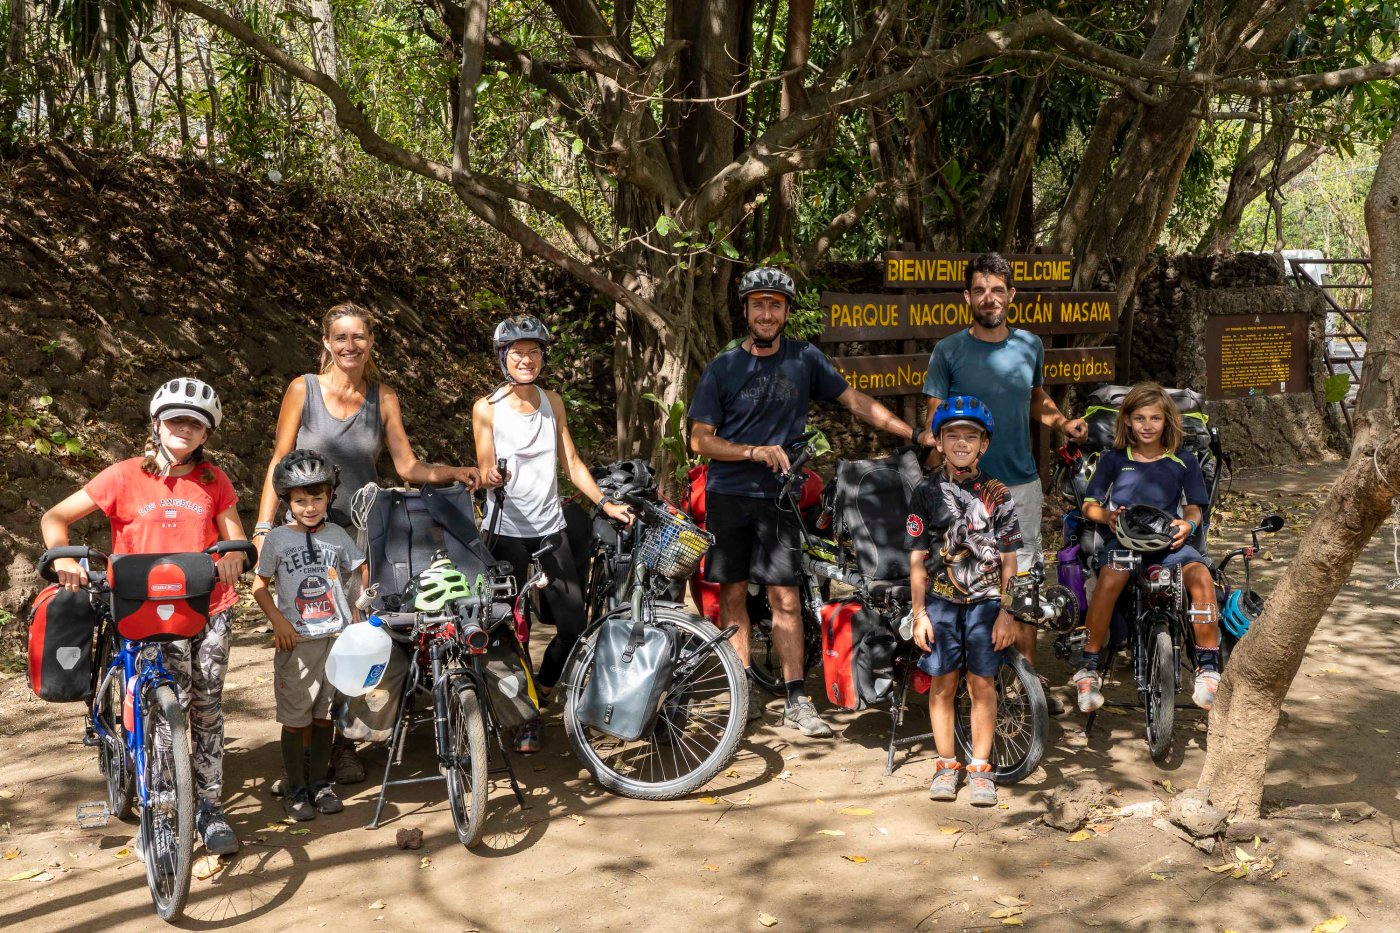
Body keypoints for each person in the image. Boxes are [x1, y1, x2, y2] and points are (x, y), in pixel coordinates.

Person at [253, 302, 480, 783]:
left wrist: (454, 472)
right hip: (303, 532)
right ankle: (303, 746)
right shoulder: (303, 389)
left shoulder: (384, 397)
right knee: (306, 633)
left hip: (359, 535)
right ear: (326, 342)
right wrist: (263, 528)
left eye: (359, 336)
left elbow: (408, 467)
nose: (350, 345)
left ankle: (344, 743)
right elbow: (279, 461)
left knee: (353, 633)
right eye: (340, 337)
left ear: (371, 342)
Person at [688, 266, 914, 738]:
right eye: (758, 305)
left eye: (775, 305)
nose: (766, 314)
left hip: (780, 497)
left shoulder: (804, 358)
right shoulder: (723, 367)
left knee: (785, 597)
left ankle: (796, 698)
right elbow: (700, 439)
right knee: (732, 595)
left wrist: (913, 434)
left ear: (787, 312)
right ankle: (742, 690)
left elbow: (855, 401)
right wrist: (751, 451)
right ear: (746, 311)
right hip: (729, 493)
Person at [40, 377, 249, 855]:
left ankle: (210, 807)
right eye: (175, 419)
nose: (184, 428)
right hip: (145, 609)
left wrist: (235, 556)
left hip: (208, 605)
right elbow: (55, 517)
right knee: (164, 710)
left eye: (195, 423)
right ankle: (166, 814)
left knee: (207, 707)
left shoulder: (213, 480)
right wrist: (64, 556)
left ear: (207, 434)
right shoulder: (122, 476)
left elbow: (233, 537)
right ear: (156, 423)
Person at [920, 252, 1088, 711]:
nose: (989, 298)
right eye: (980, 290)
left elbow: (1036, 398)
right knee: (965, 575)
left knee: (1024, 581)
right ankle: (971, 681)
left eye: (997, 290)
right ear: (967, 297)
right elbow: (934, 419)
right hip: (964, 489)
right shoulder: (948, 351)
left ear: (1011, 295)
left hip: (1020, 483)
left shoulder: (1030, 345)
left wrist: (1062, 424)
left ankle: (1024, 684)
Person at [473, 315, 632, 753]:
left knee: (572, 623)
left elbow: (572, 462)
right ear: (503, 357)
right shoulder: (486, 407)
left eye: (534, 352)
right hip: (504, 531)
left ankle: (541, 691)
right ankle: (524, 717)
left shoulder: (552, 401)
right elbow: (484, 467)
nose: (526, 360)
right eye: (517, 353)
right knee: (508, 627)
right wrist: (490, 477)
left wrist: (605, 503)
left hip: (549, 527)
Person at [1072, 383, 1221, 712]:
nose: (1147, 425)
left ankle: (1208, 668)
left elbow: (1195, 507)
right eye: (1140, 418)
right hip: (1125, 540)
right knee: (1110, 578)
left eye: (1155, 418)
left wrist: (1189, 525)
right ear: (1126, 420)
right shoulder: (1113, 459)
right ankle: (1089, 667)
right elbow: (1089, 505)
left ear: (1167, 421)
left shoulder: (1184, 460)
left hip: (1170, 542)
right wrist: (1107, 516)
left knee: (1201, 578)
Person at [907, 396, 1021, 806]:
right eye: (951, 435)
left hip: (986, 603)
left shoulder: (998, 493)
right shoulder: (925, 492)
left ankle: (980, 769)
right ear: (938, 442)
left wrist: (1007, 611)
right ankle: (945, 764)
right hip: (940, 603)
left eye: (970, 437)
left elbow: (1009, 558)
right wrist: (919, 613)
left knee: (981, 683)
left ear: (983, 445)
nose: (960, 443)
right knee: (943, 682)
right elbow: (917, 558)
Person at [252, 450, 368, 820]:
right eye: (300, 500)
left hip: (335, 639)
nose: (310, 507)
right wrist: (278, 622)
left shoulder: (337, 535)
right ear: (286, 501)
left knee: (323, 716)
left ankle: (320, 784)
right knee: (295, 719)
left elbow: (360, 567)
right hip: (297, 642)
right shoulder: (277, 540)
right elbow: (259, 586)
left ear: (330, 495)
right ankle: (297, 790)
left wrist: (359, 606)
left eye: (317, 498)